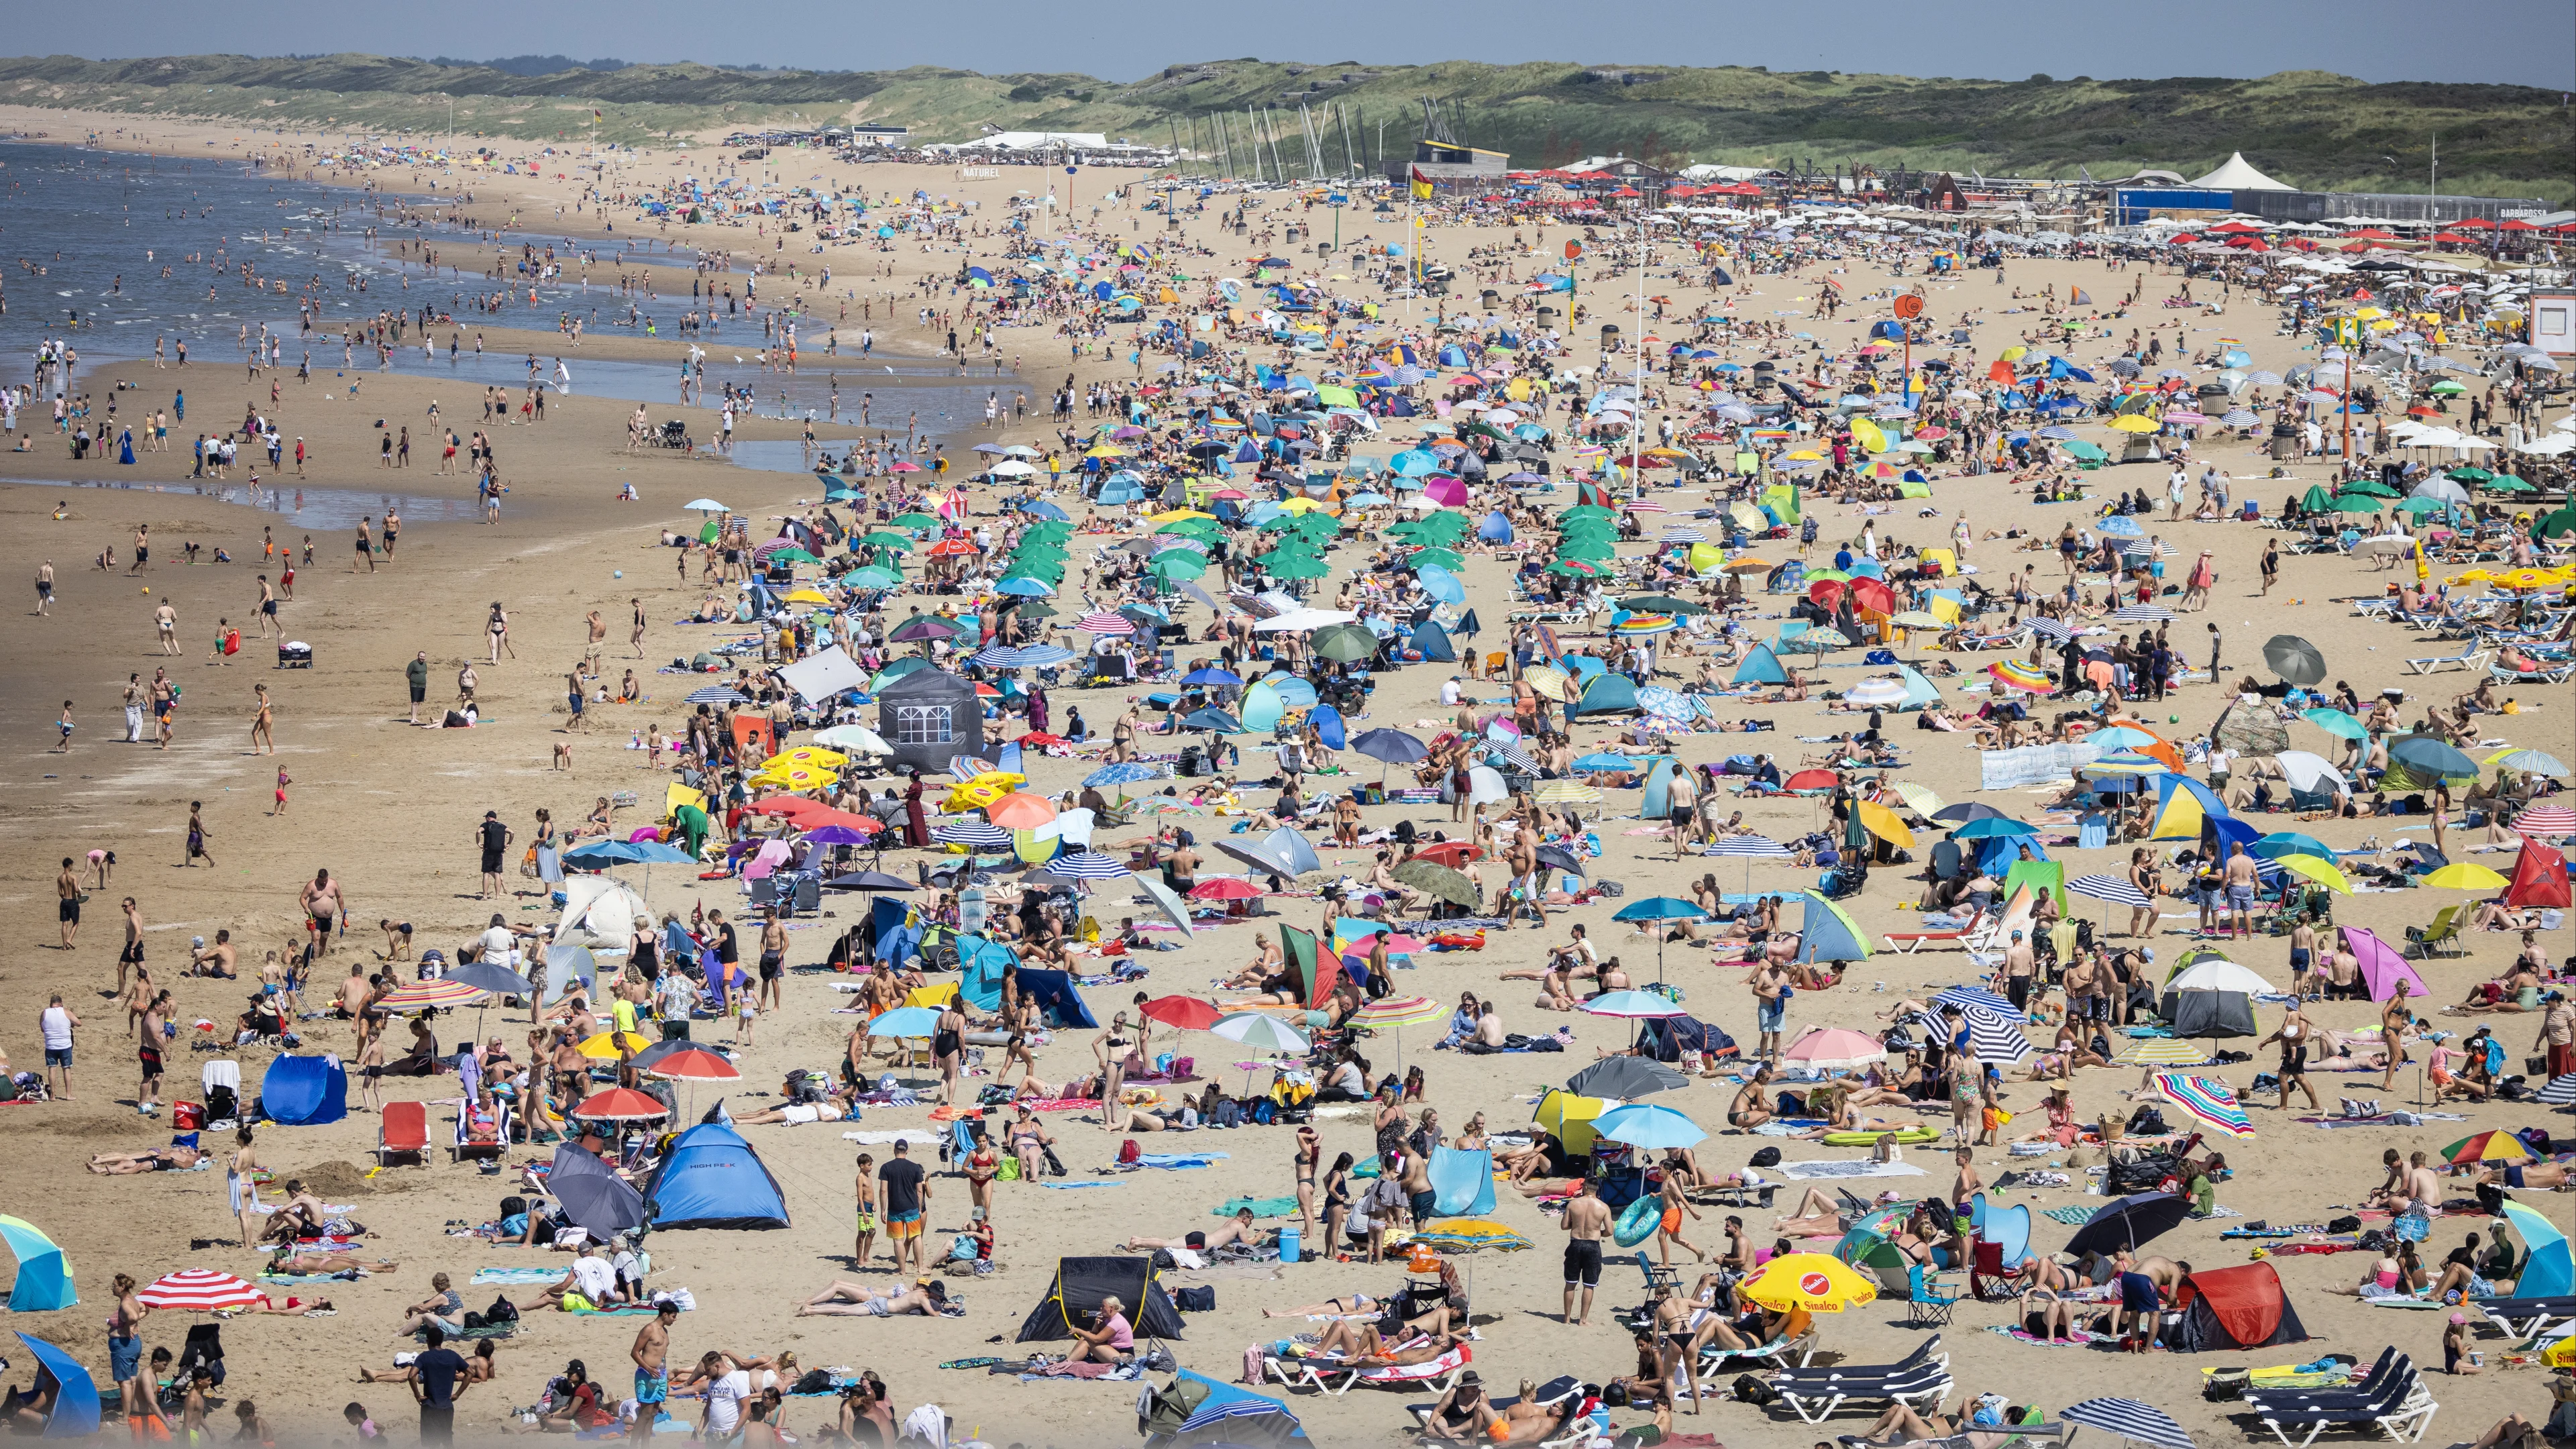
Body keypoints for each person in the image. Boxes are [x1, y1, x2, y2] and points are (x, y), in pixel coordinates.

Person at [1562, 1177, 1611, 1327]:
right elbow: (1610, 1231)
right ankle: (1582, 1320)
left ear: (1584, 1187)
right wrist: (1598, 1232)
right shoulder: (1603, 1207)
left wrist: (1576, 1224)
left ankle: (1567, 1318)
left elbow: (1564, 1226)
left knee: (1571, 1283)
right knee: (1589, 1284)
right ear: (1597, 1189)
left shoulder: (1573, 1204)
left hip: (1576, 1244)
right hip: (1592, 1245)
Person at [410, 1327, 470, 1445]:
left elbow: (411, 1375)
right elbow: (470, 1373)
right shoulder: (452, 1355)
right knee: (448, 1442)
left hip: (430, 1406)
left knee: (432, 1444)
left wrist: (417, 1395)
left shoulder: (424, 1356)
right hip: (447, 1407)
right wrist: (457, 1394)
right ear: (442, 1341)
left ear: (428, 1341)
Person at [879, 1139, 929, 1276]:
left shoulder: (886, 1167)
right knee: (917, 1237)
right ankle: (920, 1268)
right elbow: (919, 1191)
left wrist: (883, 1210)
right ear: (907, 1151)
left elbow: (883, 1190)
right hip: (912, 1207)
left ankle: (902, 1270)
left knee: (898, 1240)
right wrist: (920, 1208)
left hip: (895, 1209)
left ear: (894, 1150)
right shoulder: (914, 1168)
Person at [1070, 1294, 1132, 1364]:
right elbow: (1094, 1333)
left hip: (1124, 1357)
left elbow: (1096, 1339)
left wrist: (1078, 1330)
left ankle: (1065, 1364)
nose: (1101, 1308)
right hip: (1115, 1351)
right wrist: (1097, 1324)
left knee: (1087, 1343)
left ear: (1111, 1308)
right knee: (1086, 1336)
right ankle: (1068, 1360)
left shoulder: (1116, 1322)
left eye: (1103, 1306)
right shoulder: (1109, 1319)